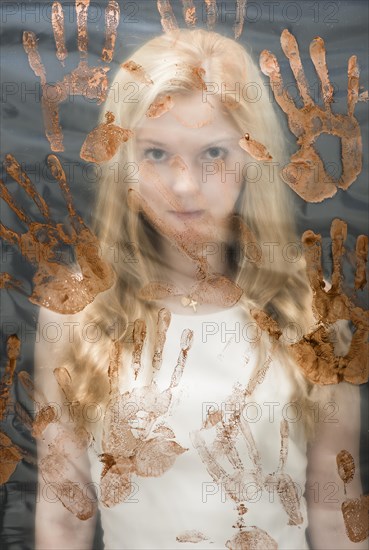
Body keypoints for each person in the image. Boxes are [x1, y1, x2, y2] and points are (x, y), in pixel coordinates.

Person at [34, 29, 365, 550]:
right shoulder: (78, 309)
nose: (185, 185)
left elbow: (335, 508)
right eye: (157, 153)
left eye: (212, 151)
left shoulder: (311, 304)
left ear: (251, 157)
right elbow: (62, 515)